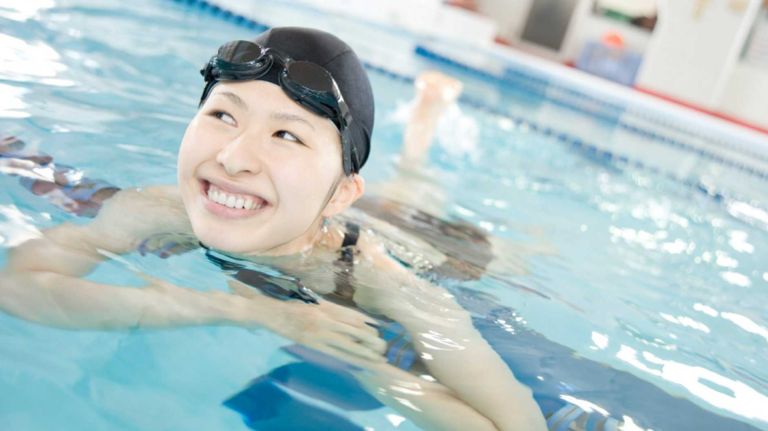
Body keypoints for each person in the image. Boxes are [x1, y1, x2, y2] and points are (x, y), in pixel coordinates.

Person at [0, 27, 547, 431]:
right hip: (315, 206)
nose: (234, 159)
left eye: (287, 135)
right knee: (396, 195)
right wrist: (245, 309)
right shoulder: (161, 211)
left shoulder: (379, 281)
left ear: (338, 192)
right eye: (223, 116)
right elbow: (19, 287)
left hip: (427, 249)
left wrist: (375, 371)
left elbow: (513, 427)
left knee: (421, 207)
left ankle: (424, 127)